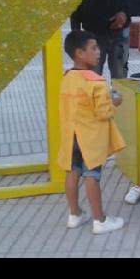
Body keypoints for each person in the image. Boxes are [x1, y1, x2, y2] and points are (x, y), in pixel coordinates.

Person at [58, 30, 126, 234]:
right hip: (90, 138)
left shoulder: (67, 77)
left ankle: (75, 214)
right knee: (92, 175)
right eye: (94, 48)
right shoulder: (95, 81)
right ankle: (100, 219)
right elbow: (104, 113)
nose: (98, 52)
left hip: (71, 136)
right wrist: (115, 101)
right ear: (79, 53)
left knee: (72, 172)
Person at [70, 0, 130, 79]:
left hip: (119, 29)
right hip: (92, 31)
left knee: (120, 78)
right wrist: (75, 30)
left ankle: (118, 98)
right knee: (92, 77)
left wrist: (126, 13)